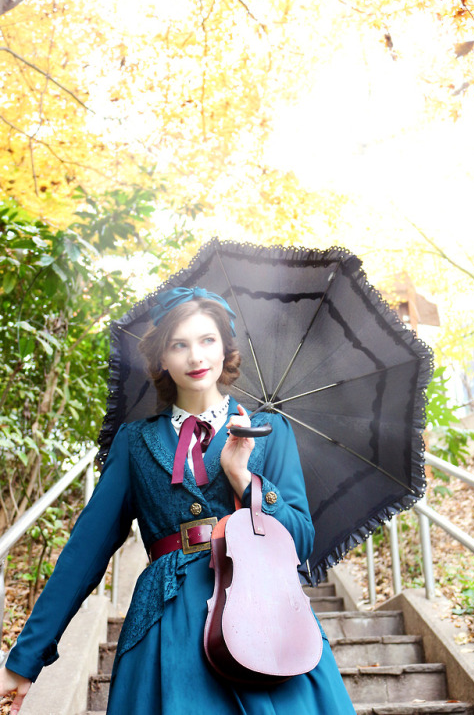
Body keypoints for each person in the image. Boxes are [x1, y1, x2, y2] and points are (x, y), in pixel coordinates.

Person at [0, 287, 356, 714]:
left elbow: (299, 542)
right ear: (162, 359)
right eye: (179, 345)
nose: (195, 356)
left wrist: (243, 478)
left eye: (207, 340)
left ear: (226, 348)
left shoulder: (268, 431)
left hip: (264, 621)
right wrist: (24, 661)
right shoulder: (134, 442)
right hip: (165, 625)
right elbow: (83, 554)